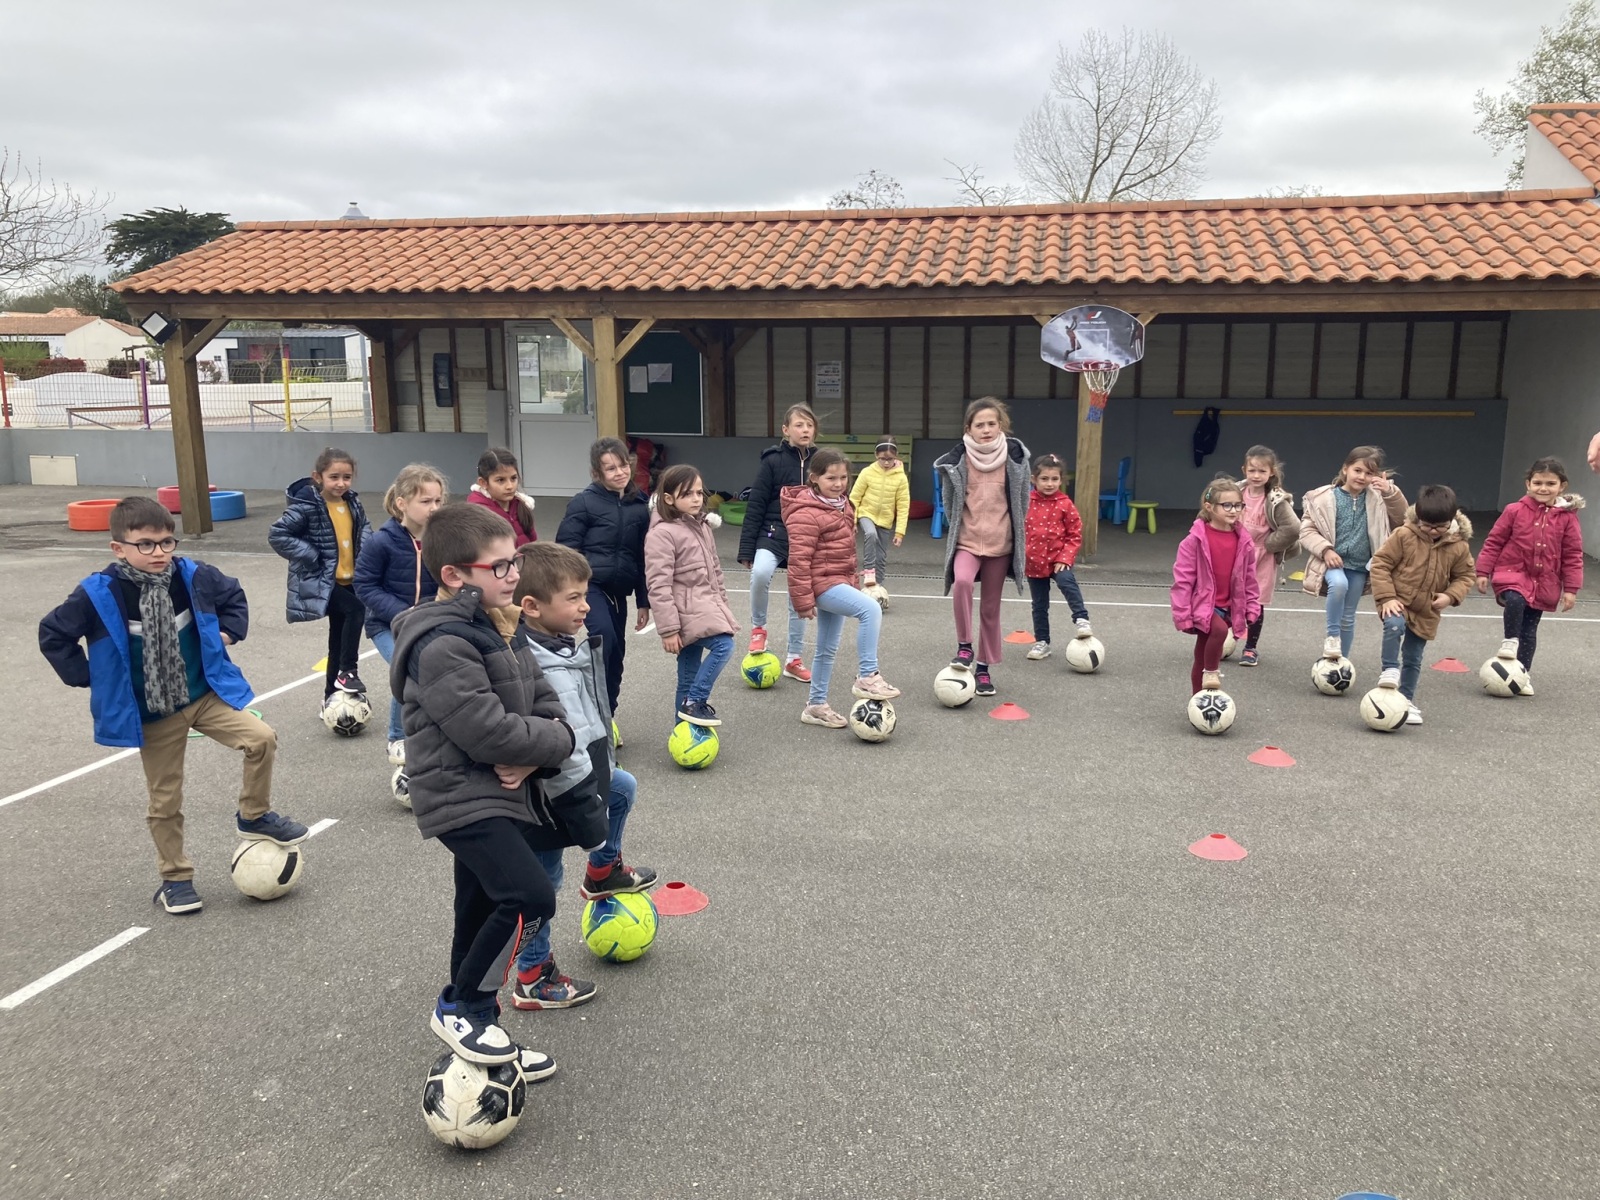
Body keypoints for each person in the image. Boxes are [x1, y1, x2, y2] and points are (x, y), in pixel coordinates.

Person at [39, 496, 306, 915]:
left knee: (261, 738)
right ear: (118, 548)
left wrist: (228, 634)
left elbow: (233, 595)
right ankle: (176, 880)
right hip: (153, 714)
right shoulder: (98, 594)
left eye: (166, 542)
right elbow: (53, 634)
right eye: (145, 544)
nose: (159, 552)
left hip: (202, 696)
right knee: (165, 801)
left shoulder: (192, 576)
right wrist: (91, 676)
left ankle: (254, 815)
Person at [388, 502, 576, 1069]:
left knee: (477, 909)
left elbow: (552, 712)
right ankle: (463, 1007)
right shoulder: (442, 642)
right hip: (460, 795)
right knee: (529, 897)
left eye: (514, 560)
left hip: (500, 791)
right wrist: (544, 742)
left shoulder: (502, 625)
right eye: (499, 566)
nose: (514, 574)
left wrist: (540, 753)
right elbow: (487, 732)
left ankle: (481, 1036)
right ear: (453, 575)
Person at [509, 542, 658, 1012]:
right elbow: (556, 739)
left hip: (583, 769)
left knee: (623, 787)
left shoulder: (563, 642)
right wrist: (582, 808)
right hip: (549, 792)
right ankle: (533, 974)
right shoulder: (531, 661)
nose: (586, 606)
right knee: (543, 883)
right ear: (532, 607)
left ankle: (602, 872)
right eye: (573, 598)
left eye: (585, 594)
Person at [782, 448, 901, 727]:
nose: (838, 484)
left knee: (826, 648)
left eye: (843, 478)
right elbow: (798, 561)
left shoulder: (843, 504)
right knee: (870, 609)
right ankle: (868, 676)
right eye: (831, 478)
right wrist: (803, 601)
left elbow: (843, 555)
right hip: (820, 584)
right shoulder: (805, 513)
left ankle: (815, 706)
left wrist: (851, 583)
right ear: (814, 478)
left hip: (837, 580)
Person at [933, 397, 1030, 698]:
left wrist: (1012, 534)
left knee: (990, 608)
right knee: (962, 582)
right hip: (968, 541)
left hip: (1001, 545)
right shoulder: (958, 461)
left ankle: (984, 669)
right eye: (979, 425)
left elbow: (1022, 501)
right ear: (968, 429)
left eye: (991, 424)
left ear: (1001, 426)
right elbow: (950, 504)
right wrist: (962, 528)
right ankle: (965, 646)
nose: (986, 429)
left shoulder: (1015, 459)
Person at [354, 463, 447, 767]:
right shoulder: (381, 541)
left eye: (438, 500)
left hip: (428, 622)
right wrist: (402, 612)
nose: (434, 508)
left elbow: (450, 579)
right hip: (387, 625)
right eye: (426, 501)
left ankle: (436, 730)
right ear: (402, 503)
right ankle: (398, 738)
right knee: (406, 667)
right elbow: (364, 585)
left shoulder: (442, 540)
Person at [556, 437, 651, 723]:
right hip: (589, 587)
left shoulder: (640, 505)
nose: (619, 473)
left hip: (618, 591)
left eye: (623, 465)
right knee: (603, 639)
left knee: (616, 653)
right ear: (597, 473)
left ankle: (606, 716)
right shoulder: (584, 502)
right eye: (610, 469)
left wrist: (644, 601)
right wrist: (572, 591)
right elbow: (565, 551)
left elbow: (643, 557)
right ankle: (586, 708)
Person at [268, 446, 372, 706]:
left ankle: (330, 696)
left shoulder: (352, 503)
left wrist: (366, 550)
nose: (341, 483)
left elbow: (364, 528)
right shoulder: (306, 506)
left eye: (346, 477)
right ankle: (348, 671)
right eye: (334, 477)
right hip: (322, 580)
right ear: (318, 477)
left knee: (337, 641)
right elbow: (278, 534)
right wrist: (311, 555)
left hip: (348, 578)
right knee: (356, 610)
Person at [1369, 485, 1476, 726]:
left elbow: (1465, 576)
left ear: (1452, 520)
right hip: (1398, 600)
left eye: (1440, 526)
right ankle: (1389, 670)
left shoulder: (1459, 546)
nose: (1433, 531)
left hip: (1427, 610)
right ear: (1418, 517)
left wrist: (1450, 596)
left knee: (1413, 656)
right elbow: (1380, 564)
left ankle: (1406, 700)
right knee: (1394, 625)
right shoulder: (1403, 535)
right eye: (1427, 525)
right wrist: (1387, 597)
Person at [1474, 456, 1584, 686]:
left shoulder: (1567, 518)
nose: (1543, 488)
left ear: (1562, 486)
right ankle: (1509, 641)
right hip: (1512, 573)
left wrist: (1571, 589)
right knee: (1515, 599)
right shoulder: (1514, 510)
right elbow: (1494, 541)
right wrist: (1483, 571)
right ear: (1528, 484)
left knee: (1529, 631)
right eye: (1538, 483)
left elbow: (1573, 555)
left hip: (1545, 582)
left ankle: (1522, 676)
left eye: (1550, 483)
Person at [644, 465, 737, 727]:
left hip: (705, 608)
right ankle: (695, 700)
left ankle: (683, 731)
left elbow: (715, 571)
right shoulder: (661, 534)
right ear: (668, 498)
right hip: (685, 614)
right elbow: (658, 585)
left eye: (699, 493)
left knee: (687, 678)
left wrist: (722, 605)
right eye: (687, 494)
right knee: (724, 645)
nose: (696, 499)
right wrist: (668, 629)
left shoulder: (702, 527)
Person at [1297, 445, 1407, 662]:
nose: (1362, 477)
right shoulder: (1324, 498)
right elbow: (1306, 530)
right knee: (1339, 585)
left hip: (1359, 567)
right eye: (1357, 470)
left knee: (1348, 617)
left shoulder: (1379, 498)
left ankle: (1340, 661)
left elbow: (1403, 518)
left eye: (1369, 473)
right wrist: (1326, 550)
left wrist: (1390, 492)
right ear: (1345, 469)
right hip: (1332, 563)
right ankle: (1332, 637)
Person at [737, 404, 817, 683]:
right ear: (786, 430)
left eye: (809, 425)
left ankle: (794, 659)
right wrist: (747, 548)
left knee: (798, 598)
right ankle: (758, 629)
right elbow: (756, 504)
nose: (805, 430)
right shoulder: (772, 461)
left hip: (804, 539)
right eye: (799, 425)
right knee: (760, 573)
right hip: (771, 533)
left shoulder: (820, 462)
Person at [1171, 477, 1262, 695]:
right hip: (1203, 604)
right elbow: (1183, 581)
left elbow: (1249, 578)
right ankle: (1212, 673)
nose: (1234, 510)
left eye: (1238, 505)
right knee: (1219, 632)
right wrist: (1183, 615)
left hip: (1228, 606)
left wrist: (1252, 607)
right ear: (1209, 507)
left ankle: (1198, 698)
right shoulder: (1194, 541)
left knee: (1201, 652)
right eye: (1227, 505)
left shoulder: (1243, 540)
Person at [1022, 453, 1091, 660]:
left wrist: (1065, 558)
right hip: (1034, 563)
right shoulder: (1025, 502)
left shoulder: (1065, 504)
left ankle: (1081, 619)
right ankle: (1042, 642)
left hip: (1058, 559)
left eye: (1054, 479)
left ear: (1061, 480)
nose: (1049, 484)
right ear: (1034, 479)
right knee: (1039, 604)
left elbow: (1074, 534)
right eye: (1044, 479)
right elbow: (1015, 530)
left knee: (1067, 582)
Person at [1236, 445, 1300, 667]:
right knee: (1228, 598)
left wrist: (1270, 545)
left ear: (1271, 472)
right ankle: (1226, 639)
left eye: (1262, 471)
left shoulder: (1275, 499)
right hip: (1234, 554)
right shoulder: (1235, 492)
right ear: (1244, 470)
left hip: (1261, 557)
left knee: (1255, 602)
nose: (1256, 475)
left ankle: (1250, 648)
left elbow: (1293, 528)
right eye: (1252, 470)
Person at [848, 439, 910, 591]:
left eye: (890, 459)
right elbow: (854, 497)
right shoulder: (867, 472)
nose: (886, 463)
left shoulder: (901, 478)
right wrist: (852, 521)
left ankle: (878, 587)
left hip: (885, 520)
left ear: (896, 456)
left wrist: (900, 532)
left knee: (881, 557)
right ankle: (869, 571)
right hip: (866, 513)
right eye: (883, 459)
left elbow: (903, 506)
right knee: (871, 534)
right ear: (876, 455)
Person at [468, 447, 538, 547]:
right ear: (483, 483)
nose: (510, 486)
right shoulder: (478, 515)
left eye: (513, 478)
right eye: (501, 480)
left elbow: (533, 541)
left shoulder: (521, 505)